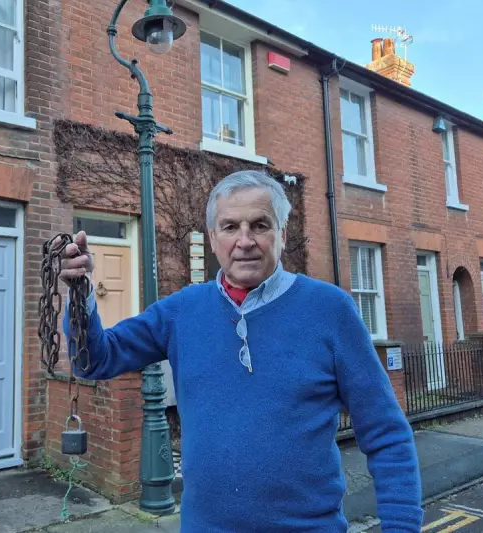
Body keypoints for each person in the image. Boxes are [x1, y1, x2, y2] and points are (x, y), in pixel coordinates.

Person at [58, 170, 423, 532]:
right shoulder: (181, 311)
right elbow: (96, 360)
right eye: (230, 227)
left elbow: (386, 433)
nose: (244, 240)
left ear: (281, 234)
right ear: (213, 239)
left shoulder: (330, 310)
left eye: (259, 225)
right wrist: (79, 296)